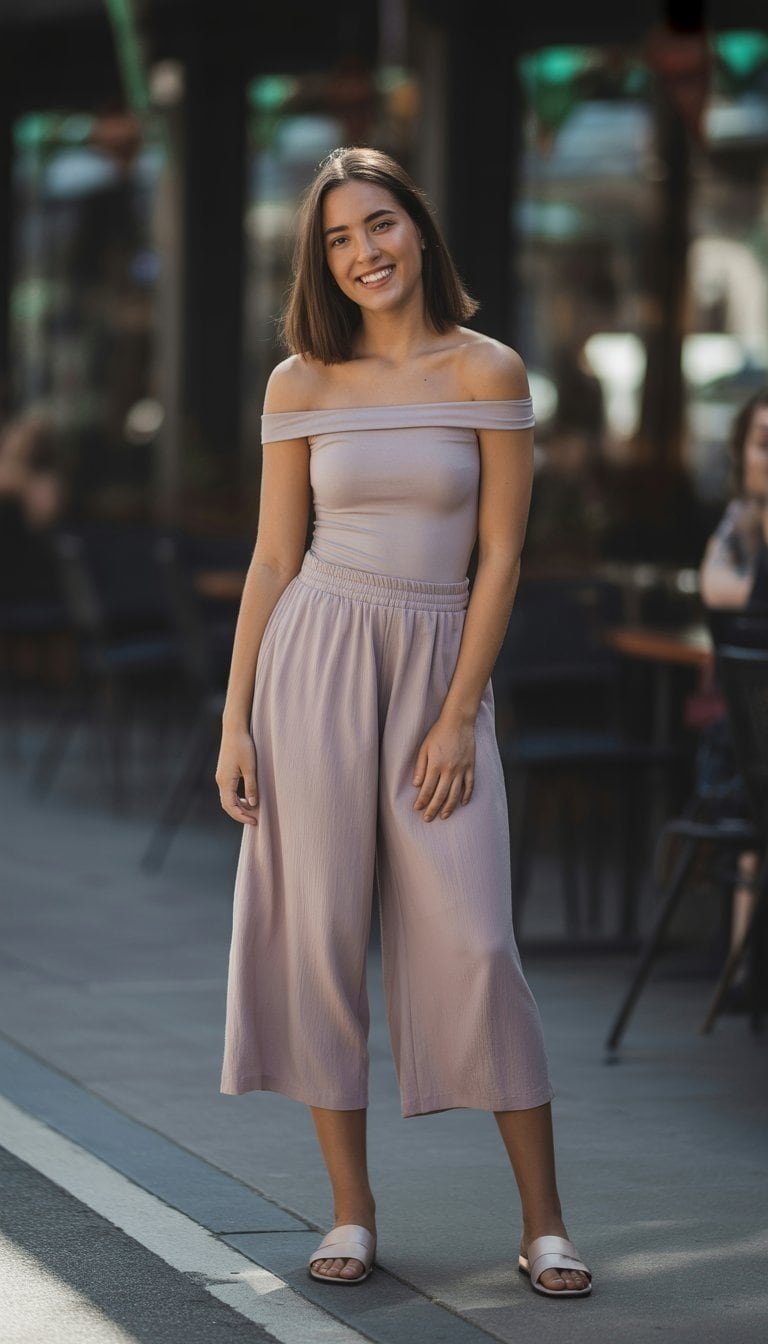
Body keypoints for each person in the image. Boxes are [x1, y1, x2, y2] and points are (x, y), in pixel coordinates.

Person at [215, 146, 592, 1298]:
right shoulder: (300, 382)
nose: (362, 252)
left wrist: (457, 710)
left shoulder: (487, 371)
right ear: (320, 259)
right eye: (337, 238)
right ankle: (351, 1212)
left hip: (439, 663)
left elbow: (503, 553)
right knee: (319, 936)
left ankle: (545, 1224)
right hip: (315, 656)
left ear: (418, 229)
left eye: (378, 225)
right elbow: (276, 555)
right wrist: (235, 717)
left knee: (477, 942)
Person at [698, 386, 768, 1007]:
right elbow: (717, 588)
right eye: (764, 444)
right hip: (748, 751)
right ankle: (743, 975)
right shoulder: (740, 527)